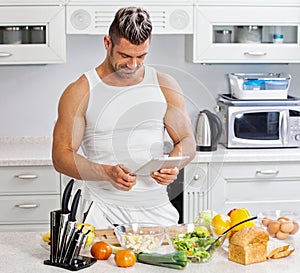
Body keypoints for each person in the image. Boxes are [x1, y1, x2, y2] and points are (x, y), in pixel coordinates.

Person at [52, 6, 196, 228]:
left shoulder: (164, 84)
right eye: (125, 55)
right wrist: (106, 172)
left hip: (156, 211)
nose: (133, 64)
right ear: (107, 43)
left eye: (141, 56)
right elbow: (61, 156)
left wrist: (173, 165)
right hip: (102, 213)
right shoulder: (81, 90)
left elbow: (187, 141)